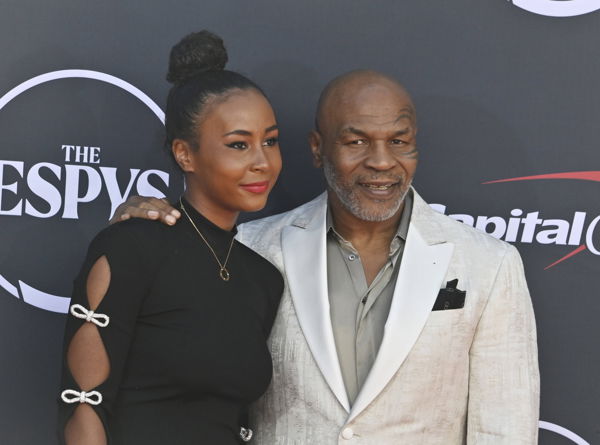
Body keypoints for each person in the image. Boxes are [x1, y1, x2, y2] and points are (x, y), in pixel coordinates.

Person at [114, 70, 540, 444]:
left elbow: (505, 429)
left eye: (399, 141)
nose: (381, 161)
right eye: (356, 141)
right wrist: (138, 229)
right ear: (318, 149)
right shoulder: (249, 247)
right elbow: (182, 390)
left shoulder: (489, 264)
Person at [57, 31, 283, 445]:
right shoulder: (130, 248)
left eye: (270, 141)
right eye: (239, 144)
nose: (262, 162)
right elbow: (84, 405)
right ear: (185, 154)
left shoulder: (263, 278)